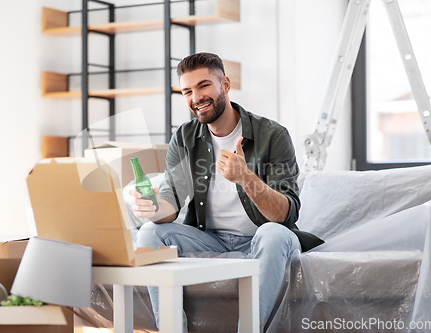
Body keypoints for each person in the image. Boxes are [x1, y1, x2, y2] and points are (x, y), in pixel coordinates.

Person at [130, 52, 323, 333]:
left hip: (261, 239)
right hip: (210, 240)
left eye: (204, 85)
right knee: (149, 232)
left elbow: (285, 215)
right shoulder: (184, 137)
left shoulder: (273, 135)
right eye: (187, 91)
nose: (196, 97)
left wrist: (246, 177)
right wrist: (151, 208)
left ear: (226, 85)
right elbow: (170, 203)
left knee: (274, 233)